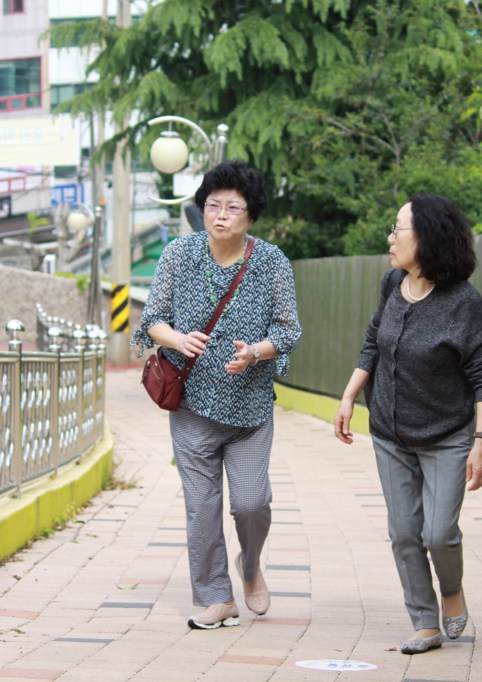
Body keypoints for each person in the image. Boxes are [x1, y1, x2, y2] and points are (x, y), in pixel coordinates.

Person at [132, 160, 302, 630]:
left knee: (250, 504)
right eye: (212, 205)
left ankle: (250, 564)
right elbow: (152, 318)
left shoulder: (271, 262)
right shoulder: (178, 254)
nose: (220, 215)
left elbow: (288, 330)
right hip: (190, 405)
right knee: (201, 507)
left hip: (249, 408)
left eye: (232, 207)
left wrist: (255, 353)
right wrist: (178, 339)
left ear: (251, 215)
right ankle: (216, 597)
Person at [333, 193, 482, 655]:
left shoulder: (463, 302)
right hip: (390, 433)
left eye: (397, 228)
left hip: (447, 434)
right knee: (405, 533)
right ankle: (425, 622)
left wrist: (480, 443)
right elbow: (373, 342)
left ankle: (451, 590)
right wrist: (349, 397)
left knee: (438, 534)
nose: (390, 238)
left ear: (426, 237)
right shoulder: (392, 283)